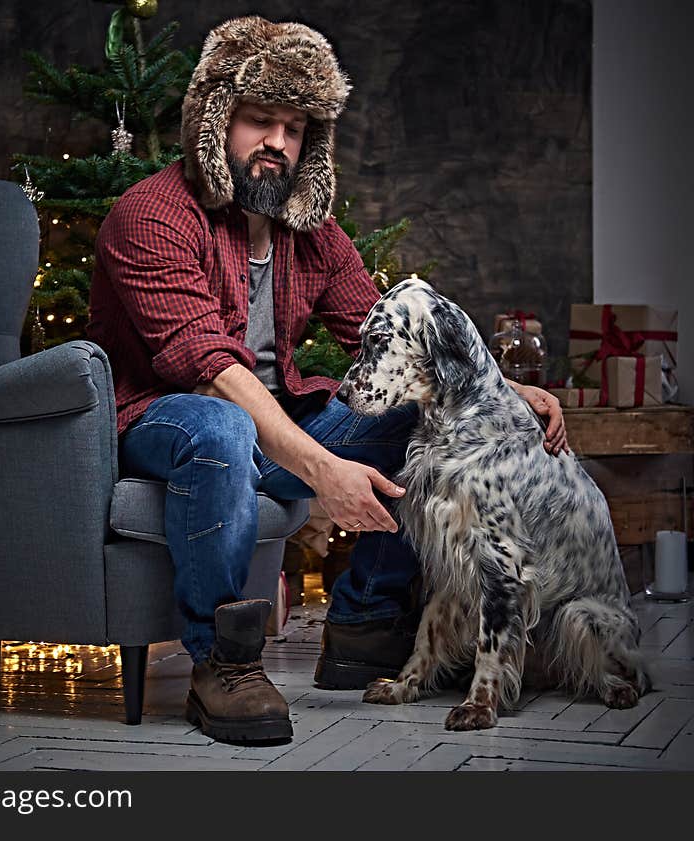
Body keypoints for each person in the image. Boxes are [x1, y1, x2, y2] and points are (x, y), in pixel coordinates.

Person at [86, 16, 568, 744]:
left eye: (294, 126)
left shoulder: (310, 230)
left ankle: (366, 619)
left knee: (414, 411)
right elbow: (209, 370)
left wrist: (499, 387)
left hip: (275, 420)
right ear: (216, 122)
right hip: (168, 419)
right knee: (222, 423)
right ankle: (224, 660)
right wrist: (322, 471)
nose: (277, 143)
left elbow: (381, 325)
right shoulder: (150, 215)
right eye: (258, 121)